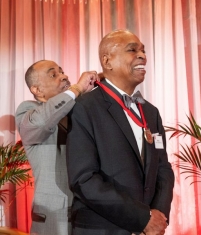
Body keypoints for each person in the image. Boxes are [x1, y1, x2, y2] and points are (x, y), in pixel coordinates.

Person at [66, 29, 175, 235]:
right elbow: (83, 179)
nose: (142, 55)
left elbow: (163, 168)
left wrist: (158, 215)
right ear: (107, 62)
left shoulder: (151, 112)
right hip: (102, 228)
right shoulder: (84, 107)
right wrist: (142, 218)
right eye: (132, 50)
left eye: (143, 50)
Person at [15, 60, 100, 235]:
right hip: (55, 219)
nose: (64, 76)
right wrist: (76, 89)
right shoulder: (29, 110)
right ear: (36, 90)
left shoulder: (79, 110)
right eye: (54, 74)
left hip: (91, 212)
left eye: (62, 71)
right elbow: (41, 122)